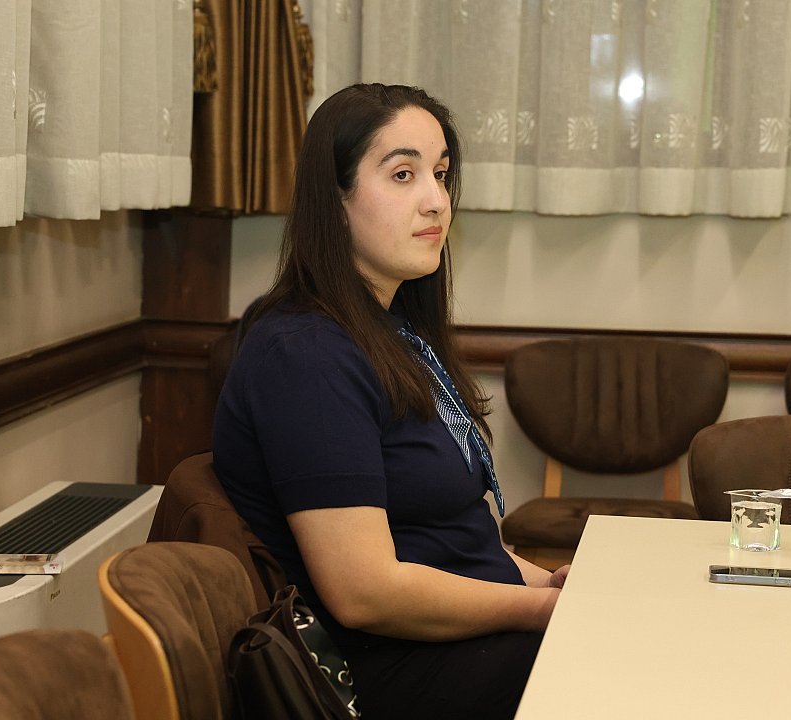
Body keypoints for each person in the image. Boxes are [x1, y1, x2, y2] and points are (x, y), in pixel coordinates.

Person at [212, 83, 568, 719]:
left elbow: (447, 537)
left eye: (440, 174)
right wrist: (544, 609)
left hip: (459, 644)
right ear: (334, 197)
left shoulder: (392, 329)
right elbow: (364, 593)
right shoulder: (305, 353)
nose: (436, 200)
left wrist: (550, 581)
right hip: (388, 674)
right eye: (403, 174)